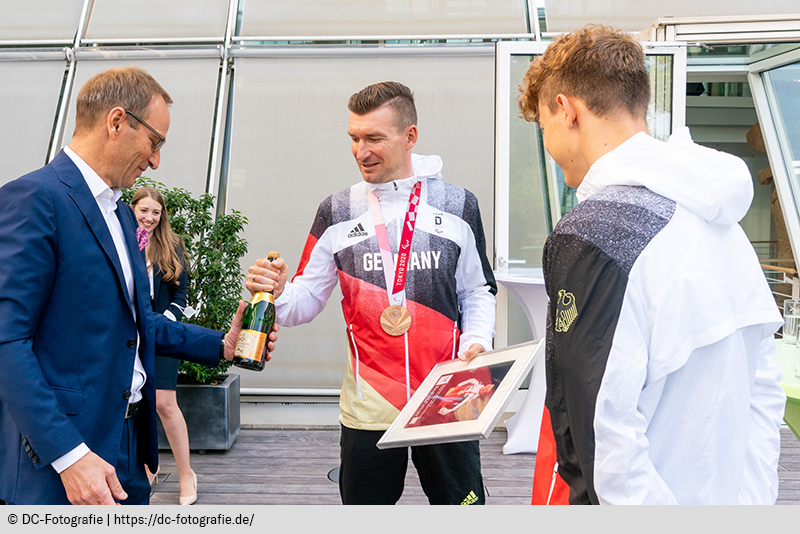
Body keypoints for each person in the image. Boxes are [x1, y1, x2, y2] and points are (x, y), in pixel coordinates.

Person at [518, 24, 786, 505]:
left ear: (567, 109)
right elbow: (763, 389)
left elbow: (601, 438)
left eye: (543, 126)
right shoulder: (723, 222)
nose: (548, 144)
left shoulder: (594, 232)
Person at [0, 66, 276, 505]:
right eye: (155, 141)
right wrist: (68, 456)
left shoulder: (122, 214)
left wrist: (221, 345)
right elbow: (7, 341)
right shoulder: (34, 198)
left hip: (128, 449)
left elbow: (137, 322)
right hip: (63, 462)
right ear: (116, 122)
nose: (155, 160)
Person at [246, 81, 497, 505]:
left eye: (374, 138)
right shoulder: (336, 210)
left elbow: (477, 290)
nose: (361, 151)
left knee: (463, 510)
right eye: (354, 138)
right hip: (370, 405)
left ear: (410, 136)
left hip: (445, 396)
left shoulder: (458, 204)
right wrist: (278, 293)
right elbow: (305, 300)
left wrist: (476, 342)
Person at [130, 186, 197, 505]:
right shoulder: (123, 241)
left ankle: (186, 474)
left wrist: (165, 322)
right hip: (130, 334)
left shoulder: (173, 244)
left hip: (164, 331)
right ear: (132, 209)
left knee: (165, 403)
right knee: (137, 401)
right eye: (144, 210)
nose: (150, 217)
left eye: (155, 212)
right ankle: (148, 468)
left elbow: (181, 294)